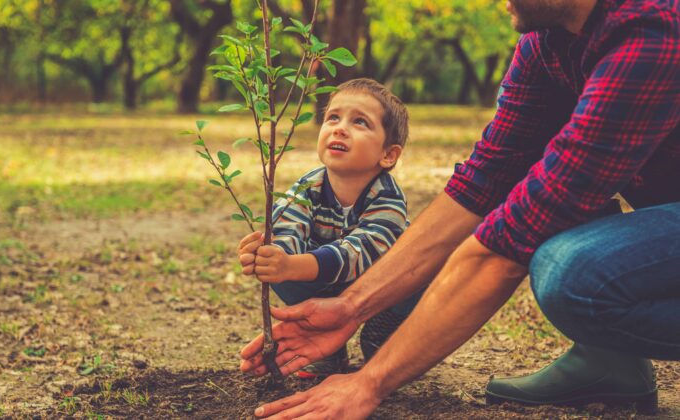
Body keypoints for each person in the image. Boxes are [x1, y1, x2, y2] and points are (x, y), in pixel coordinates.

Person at [239, 0, 680, 418]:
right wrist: (351, 307)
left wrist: (369, 382)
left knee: (571, 273)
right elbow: (484, 181)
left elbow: (510, 241)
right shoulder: (547, 42)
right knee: (552, 197)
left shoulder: (652, 29)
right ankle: (610, 364)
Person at [237, 78, 422, 378]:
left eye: (360, 122)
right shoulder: (309, 186)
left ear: (388, 154)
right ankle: (329, 348)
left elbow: (360, 253)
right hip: (327, 281)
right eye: (332, 117)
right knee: (284, 273)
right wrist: (270, 256)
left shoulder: (387, 198)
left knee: (421, 275)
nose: (339, 127)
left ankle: (387, 332)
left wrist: (296, 264)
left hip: (381, 286)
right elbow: (287, 226)